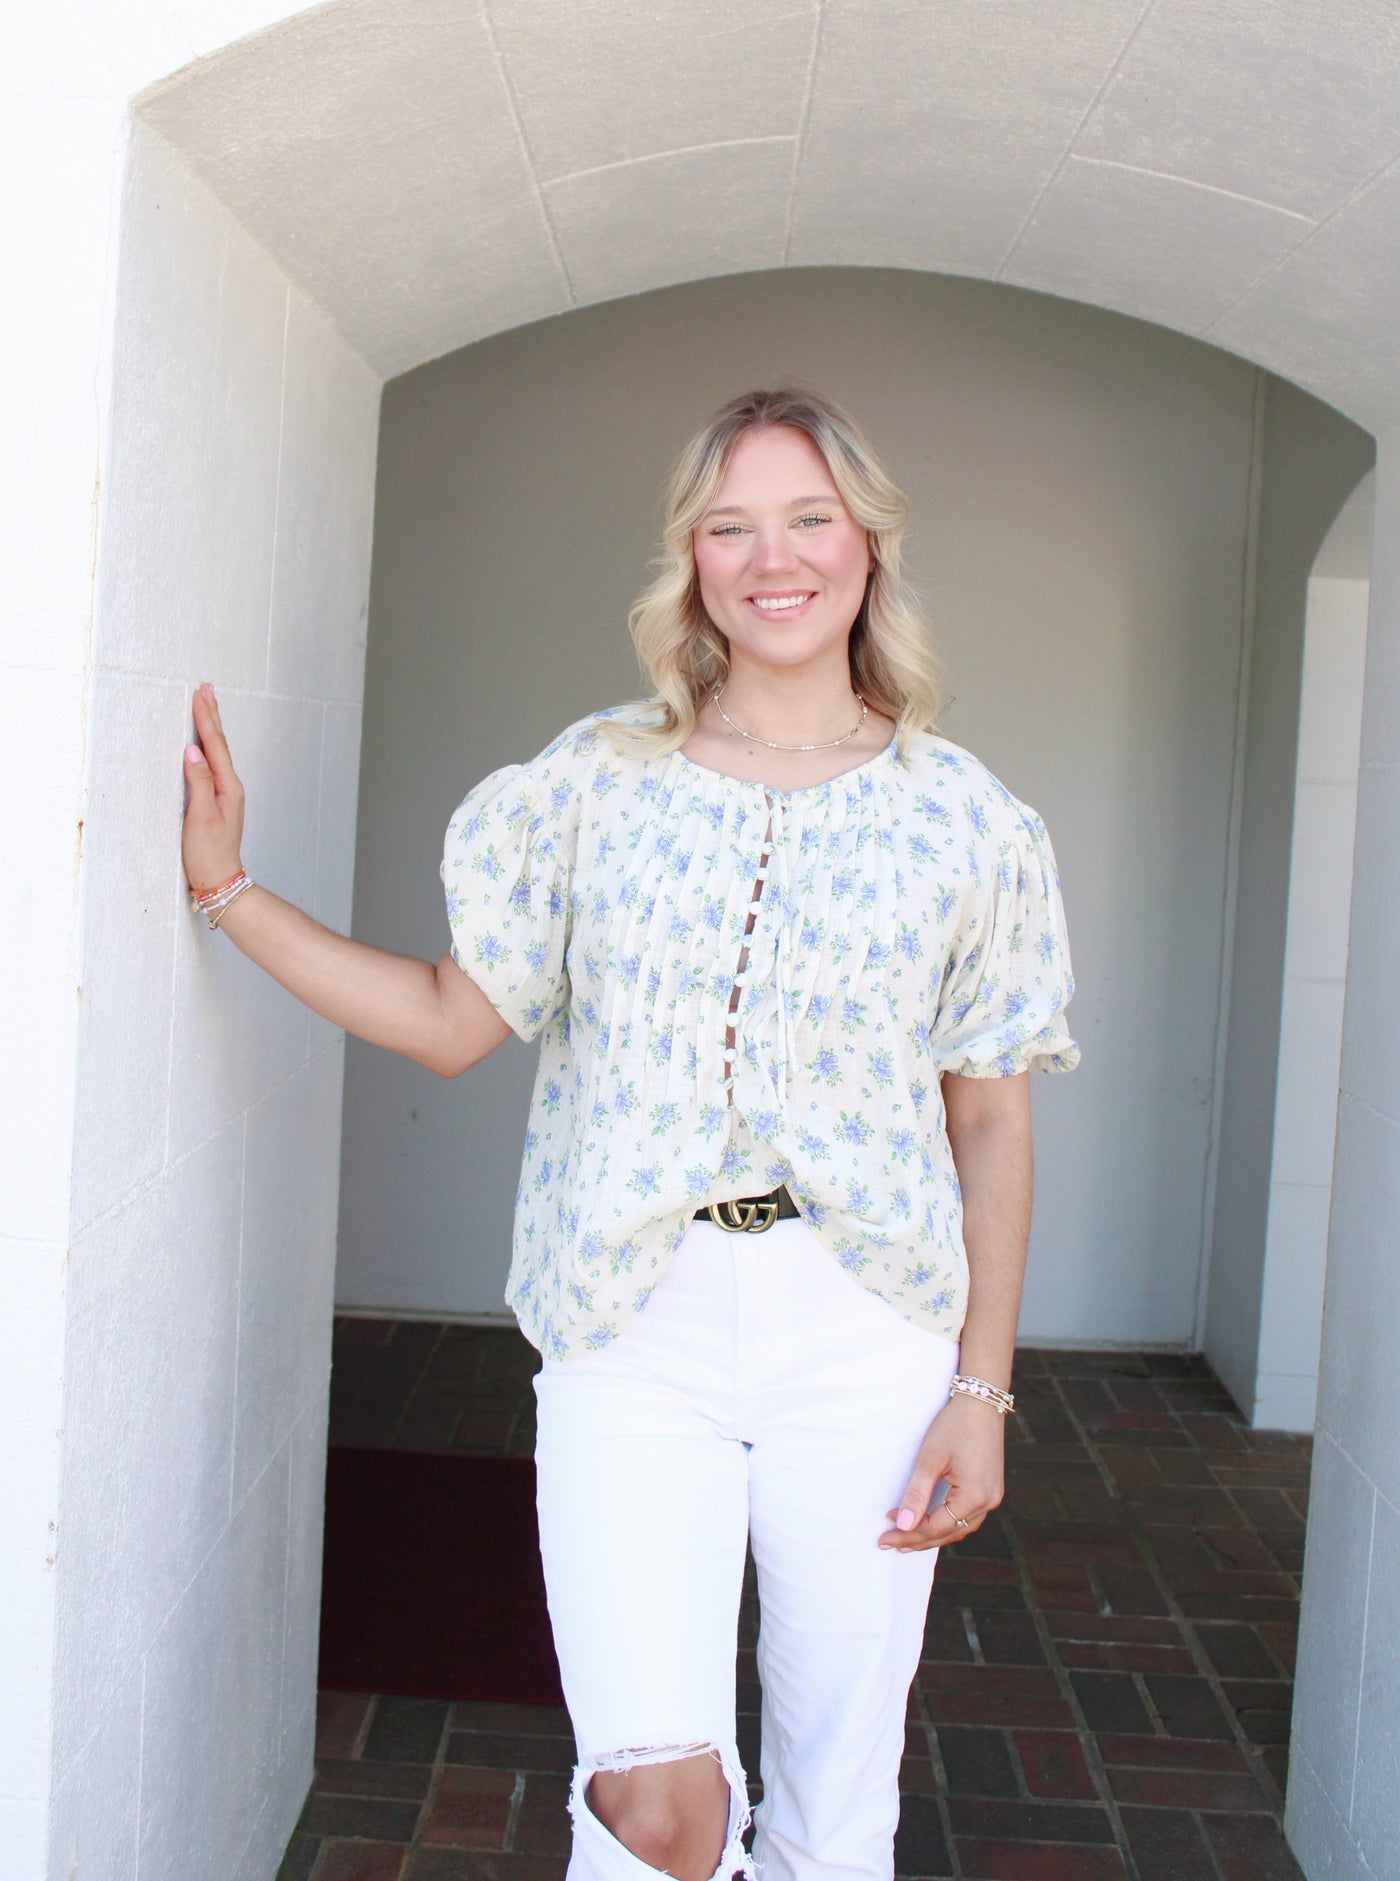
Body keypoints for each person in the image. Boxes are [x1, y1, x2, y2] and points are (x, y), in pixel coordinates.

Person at [180, 386, 1079, 1881]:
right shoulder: (599, 781)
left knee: (835, 1800)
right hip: (632, 1328)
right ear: (692, 559)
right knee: (654, 1805)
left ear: (867, 546)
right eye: (730, 524)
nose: (770, 556)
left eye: (807, 518)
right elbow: (454, 1017)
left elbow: (989, 1121)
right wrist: (231, 892)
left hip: (868, 1337)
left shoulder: (966, 820)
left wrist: (980, 1387)